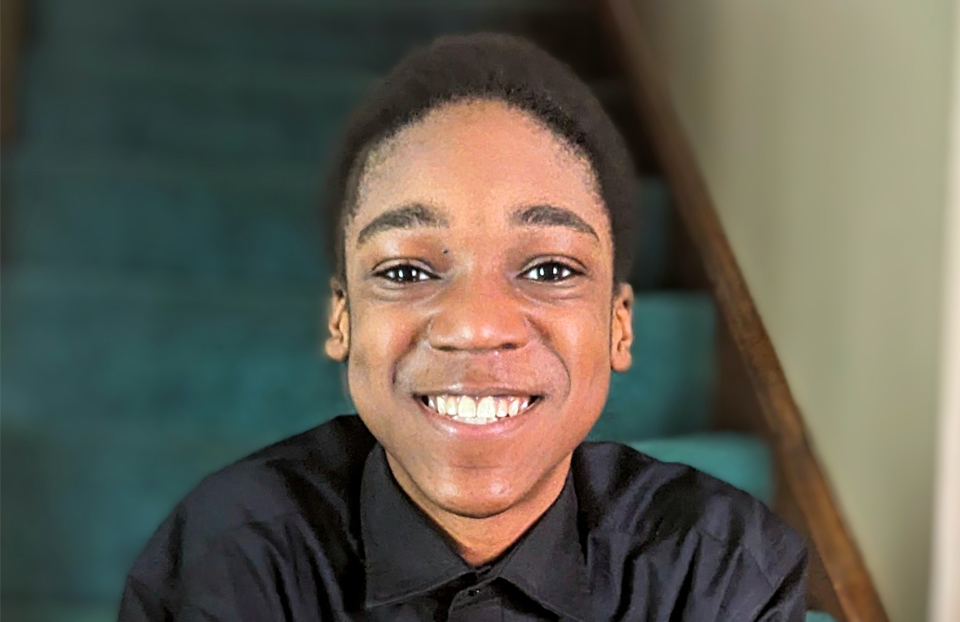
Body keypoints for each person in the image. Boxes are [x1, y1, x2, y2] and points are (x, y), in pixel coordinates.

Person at [118, 33, 808, 621]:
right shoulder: (233, 559)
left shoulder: (717, 573)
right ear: (341, 317)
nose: (477, 328)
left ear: (620, 327)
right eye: (408, 272)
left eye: (547, 270)